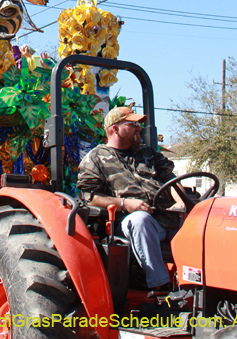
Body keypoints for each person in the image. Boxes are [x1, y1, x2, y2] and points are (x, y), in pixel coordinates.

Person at [77, 106, 183, 291]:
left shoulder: (148, 153)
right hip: (126, 224)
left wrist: (182, 202)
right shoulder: (95, 158)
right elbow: (91, 197)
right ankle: (160, 287)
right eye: (133, 124)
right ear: (115, 129)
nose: (138, 128)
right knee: (140, 220)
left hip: (167, 219)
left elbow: (170, 178)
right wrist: (126, 204)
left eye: (139, 124)